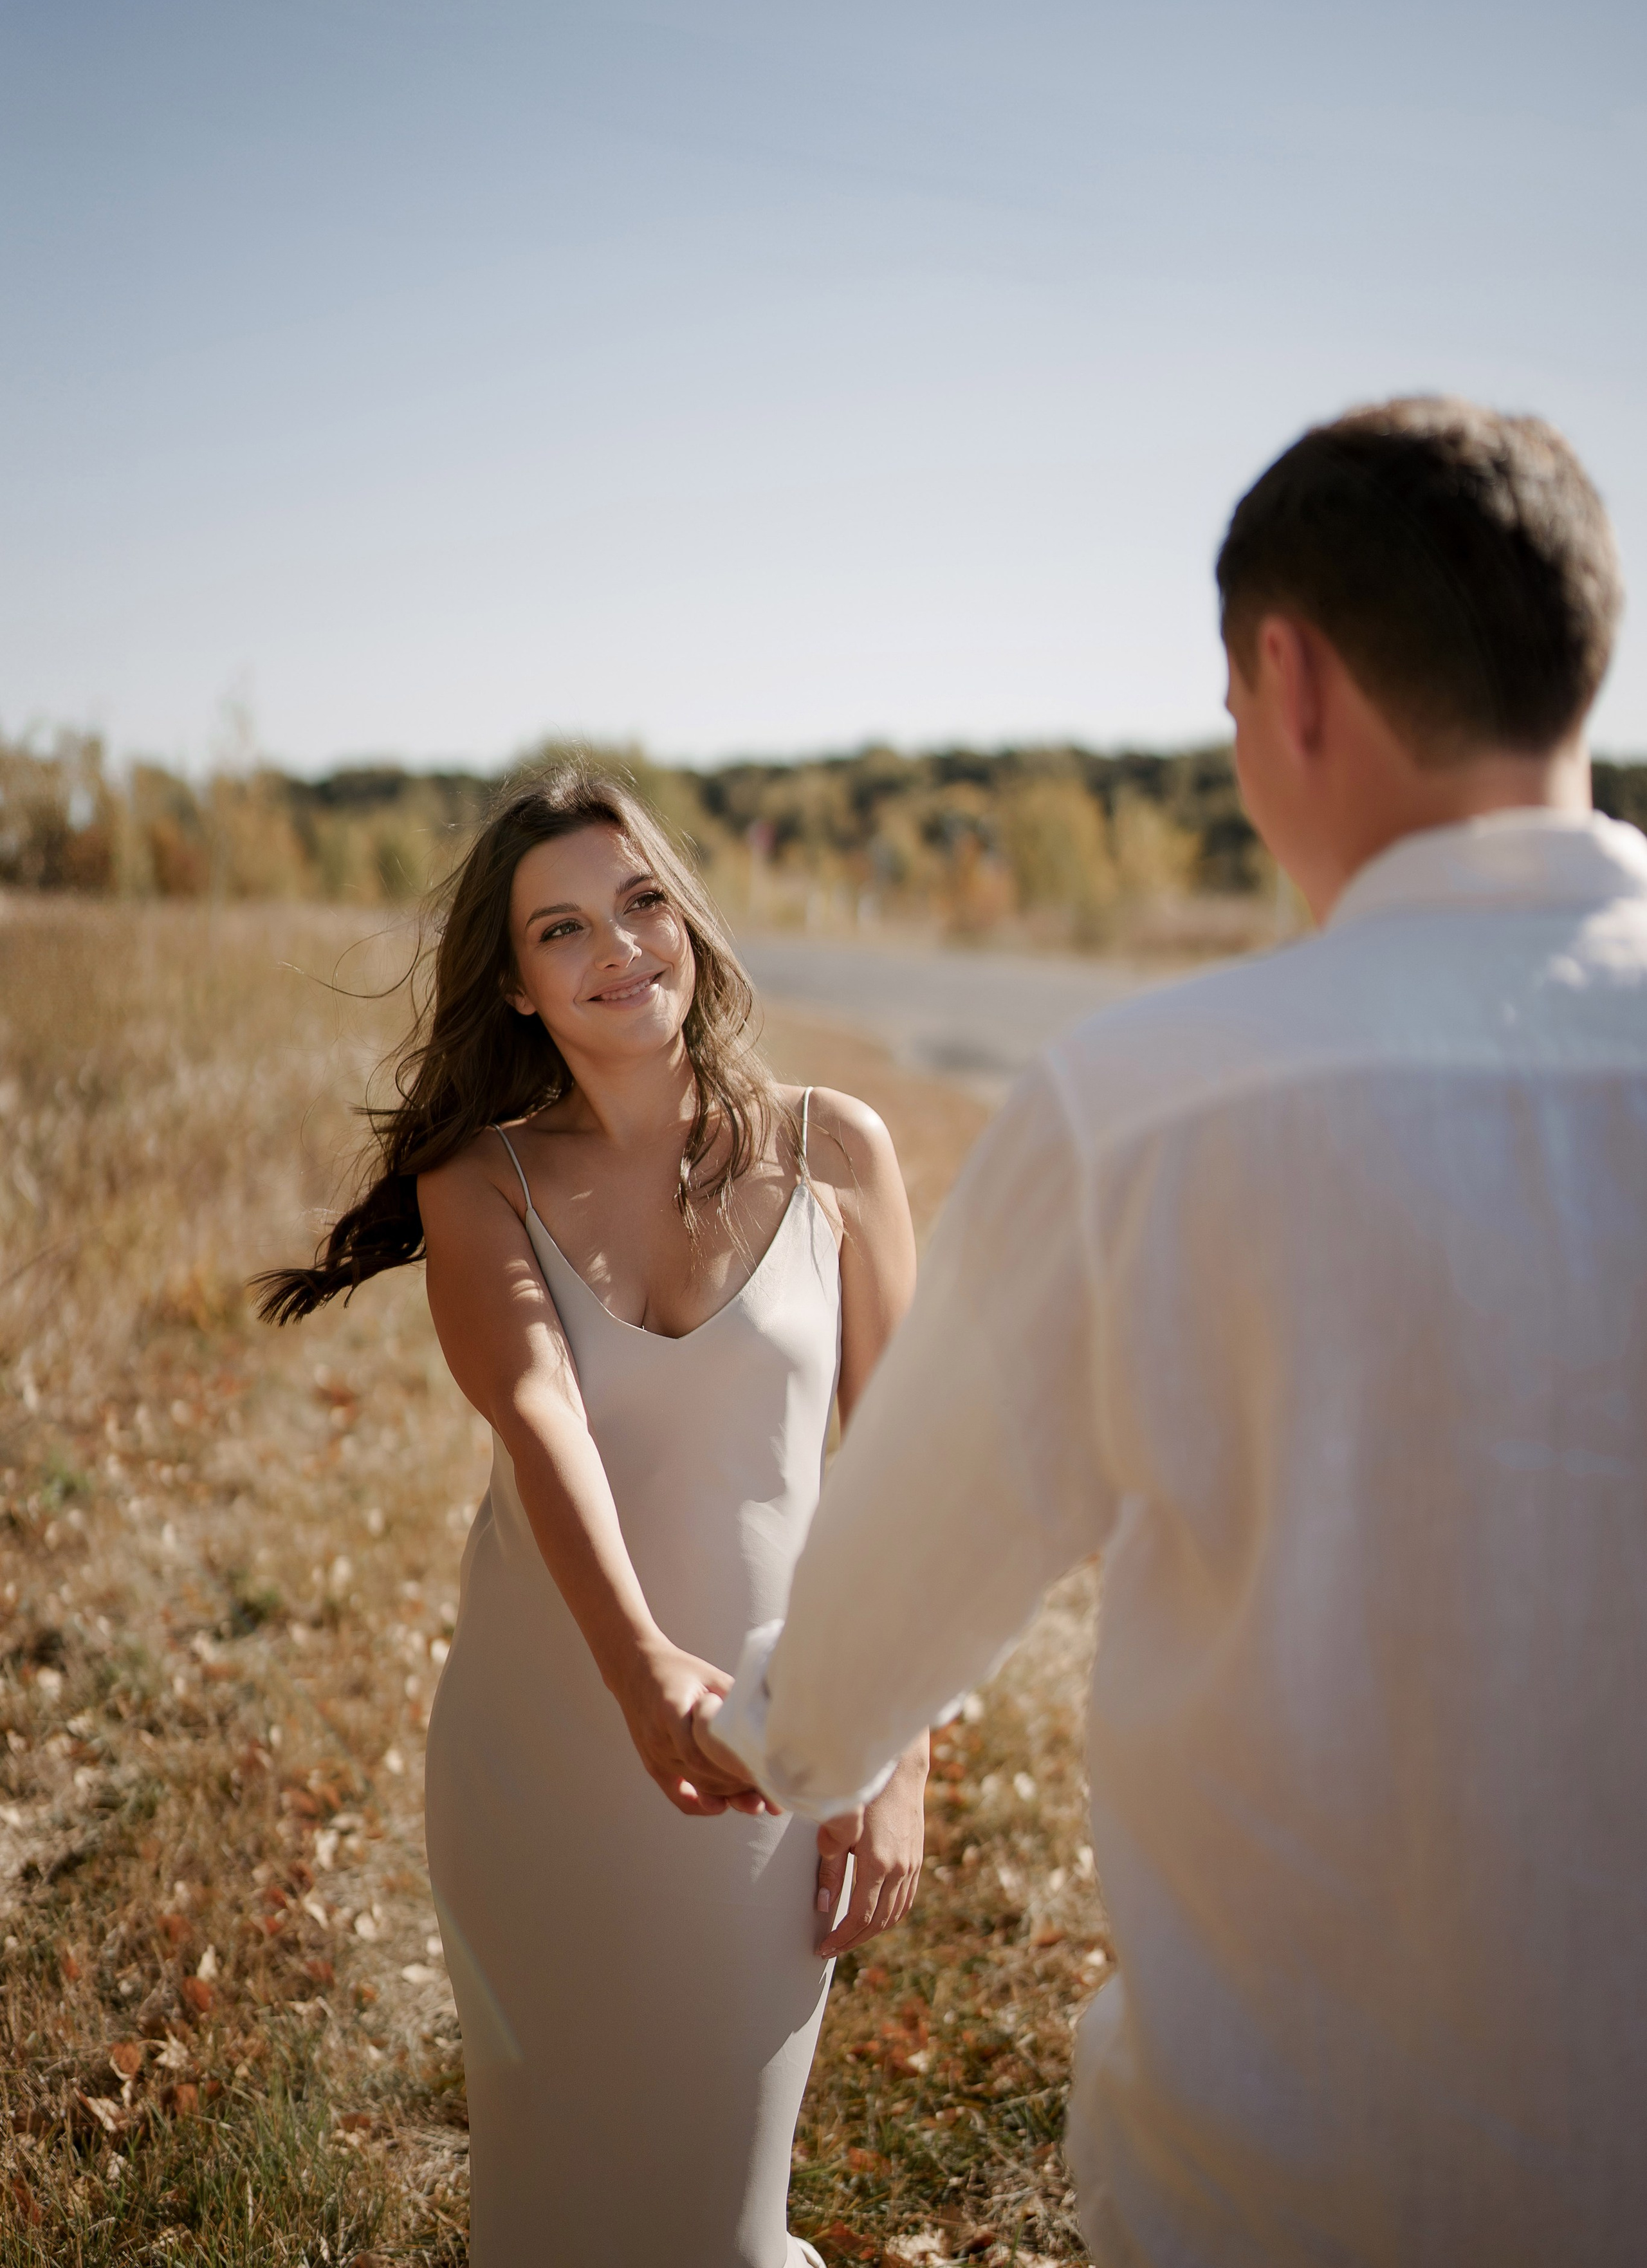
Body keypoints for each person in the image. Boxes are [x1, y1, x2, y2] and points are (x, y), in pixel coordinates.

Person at [702, 398, 1647, 2268]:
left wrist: (765, 1734)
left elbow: (874, 1630)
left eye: (1224, 710)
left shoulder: (1140, 1114)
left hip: (1287, 2185)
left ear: (1288, 680)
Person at [257, 766, 928, 2267]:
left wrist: (897, 1758)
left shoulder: (837, 1151)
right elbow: (539, 1411)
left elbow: (907, 1473)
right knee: (549, 2219)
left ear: (688, 918)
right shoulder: (476, 1182)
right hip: (544, 1754)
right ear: (512, 983)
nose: (619, 948)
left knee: (723, 2223)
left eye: (640, 903)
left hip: (765, 1759)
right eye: (561, 929)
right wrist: (636, 1668)